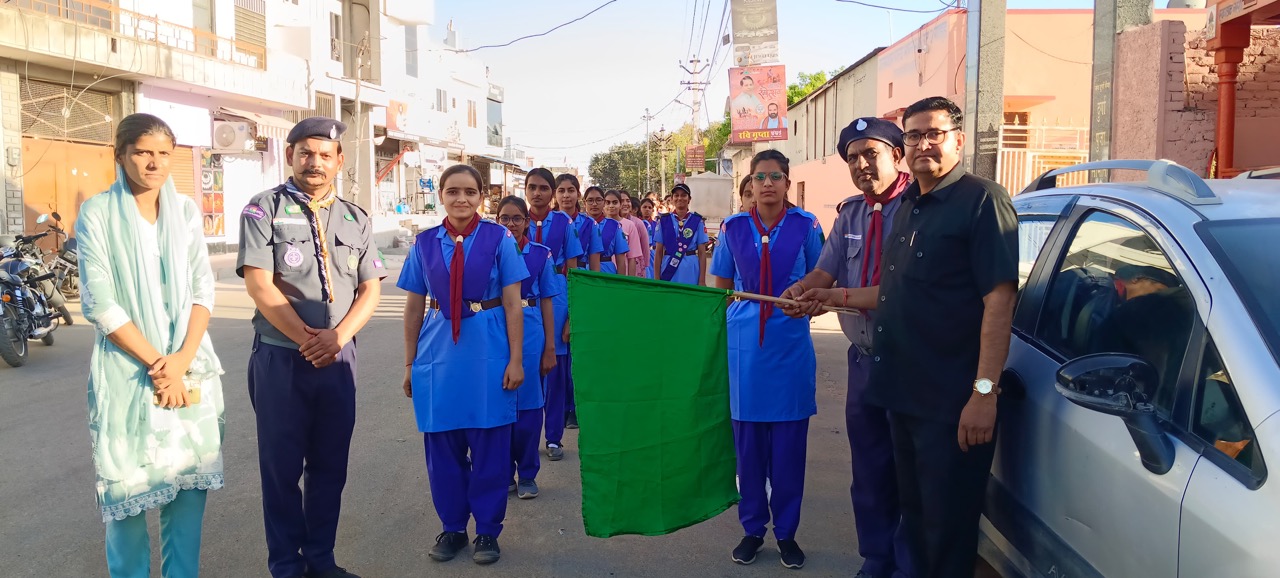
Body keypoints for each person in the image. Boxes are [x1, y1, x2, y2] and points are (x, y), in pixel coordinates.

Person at [798, 97, 1018, 578]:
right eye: (915, 134)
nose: (923, 144)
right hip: (896, 383)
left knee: (945, 522)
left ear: (958, 139)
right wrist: (815, 293)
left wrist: (984, 393)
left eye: (933, 134)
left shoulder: (982, 201)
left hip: (949, 392)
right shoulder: (909, 207)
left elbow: (999, 302)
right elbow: (894, 292)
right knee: (902, 500)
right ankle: (884, 563)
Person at [77, 113, 225, 578]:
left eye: (164, 153)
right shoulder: (97, 213)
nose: (154, 163)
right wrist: (162, 366)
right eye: (142, 152)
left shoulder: (185, 211)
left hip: (188, 366)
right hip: (129, 372)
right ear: (120, 155)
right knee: (128, 495)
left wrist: (181, 362)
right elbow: (100, 303)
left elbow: (203, 288)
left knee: (188, 494)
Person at [238, 117, 385, 578]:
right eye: (305, 153)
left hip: (338, 360)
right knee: (280, 471)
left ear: (339, 161)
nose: (314, 163)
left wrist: (337, 338)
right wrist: (308, 340)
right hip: (282, 358)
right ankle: (286, 566)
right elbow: (260, 285)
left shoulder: (355, 218)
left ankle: (321, 560)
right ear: (290, 156)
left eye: (325, 155)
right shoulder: (262, 210)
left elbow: (370, 290)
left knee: (329, 467)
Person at [783, 117, 913, 578]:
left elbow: (903, 290)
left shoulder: (922, 210)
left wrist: (832, 297)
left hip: (912, 364)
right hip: (864, 361)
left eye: (870, 154)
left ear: (896, 155)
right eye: (853, 157)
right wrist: (801, 291)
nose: (861, 165)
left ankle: (909, 563)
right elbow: (826, 270)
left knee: (910, 470)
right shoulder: (852, 213)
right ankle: (877, 558)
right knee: (870, 468)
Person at [398, 165, 525, 565]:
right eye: (453, 191)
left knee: (489, 446)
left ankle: (487, 530)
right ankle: (452, 527)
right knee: (442, 448)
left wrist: (516, 359)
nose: (461, 199)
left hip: (488, 349)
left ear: (481, 197)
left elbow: (512, 303)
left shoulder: (499, 238)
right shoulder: (424, 244)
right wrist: (409, 363)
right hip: (438, 355)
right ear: (441, 195)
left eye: (470, 192)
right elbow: (414, 306)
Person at [710, 149, 824, 570]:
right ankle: (753, 529)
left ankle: (787, 533)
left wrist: (808, 304)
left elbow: (823, 282)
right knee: (749, 451)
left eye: (776, 176)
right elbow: (721, 290)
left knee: (789, 452)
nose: (768, 184)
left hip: (790, 347)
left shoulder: (807, 225)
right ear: (750, 184)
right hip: (744, 351)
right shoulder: (733, 227)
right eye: (760, 177)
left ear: (787, 183)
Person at [493, 196, 558, 501]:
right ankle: (504, 472)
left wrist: (550, 347)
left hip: (531, 330)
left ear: (527, 222)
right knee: (499, 405)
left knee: (530, 407)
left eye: (516, 218)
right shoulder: (488, 253)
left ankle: (528, 473)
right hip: (496, 328)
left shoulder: (541, 255)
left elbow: (548, 302)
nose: (510, 224)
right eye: (504, 218)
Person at [526, 168, 584, 459]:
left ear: (552, 193)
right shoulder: (515, 221)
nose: (537, 193)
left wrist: (572, 315)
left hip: (558, 297)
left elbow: (573, 270)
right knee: (527, 370)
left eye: (543, 188)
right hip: (524, 299)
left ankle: (553, 438)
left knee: (556, 373)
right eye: (532, 187)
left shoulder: (564, 223)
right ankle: (525, 439)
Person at [654, 183, 710, 286]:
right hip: (668, 266)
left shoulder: (697, 221)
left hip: (690, 268)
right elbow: (658, 252)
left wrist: (702, 280)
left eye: (684, 195)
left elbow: (702, 253)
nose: (680, 198)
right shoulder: (663, 220)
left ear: (689, 199)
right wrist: (656, 279)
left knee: (690, 295)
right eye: (676, 195)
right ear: (671, 199)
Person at [556, 174, 603, 273]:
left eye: (571, 190)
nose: (566, 195)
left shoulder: (590, 224)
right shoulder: (549, 221)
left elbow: (595, 266)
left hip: (581, 276)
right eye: (561, 191)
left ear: (578, 195)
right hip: (553, 278)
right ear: (554, 194)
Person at [595, 189, 632, 274]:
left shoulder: (615, 226)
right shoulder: (580, 223)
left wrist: (620, 281)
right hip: (583, 271)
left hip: (606, 271)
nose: (594, 204)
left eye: (598, 200)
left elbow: (621, 262)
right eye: (590, 200)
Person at [619, 192, 651, 278]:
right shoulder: (610, 222)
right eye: (622, 201)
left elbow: (645, 248)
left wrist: (645, 268)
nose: (625, 204)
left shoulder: (638, 223)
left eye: (628, 201)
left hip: (635, 268)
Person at [639, 197, 659, 278]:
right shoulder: (637, 224)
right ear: (640, 208)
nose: (647, 209)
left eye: (650, 208)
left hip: (653, 254)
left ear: (652, 210)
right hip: (641, 254)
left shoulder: (657, 225)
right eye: (644, 207)